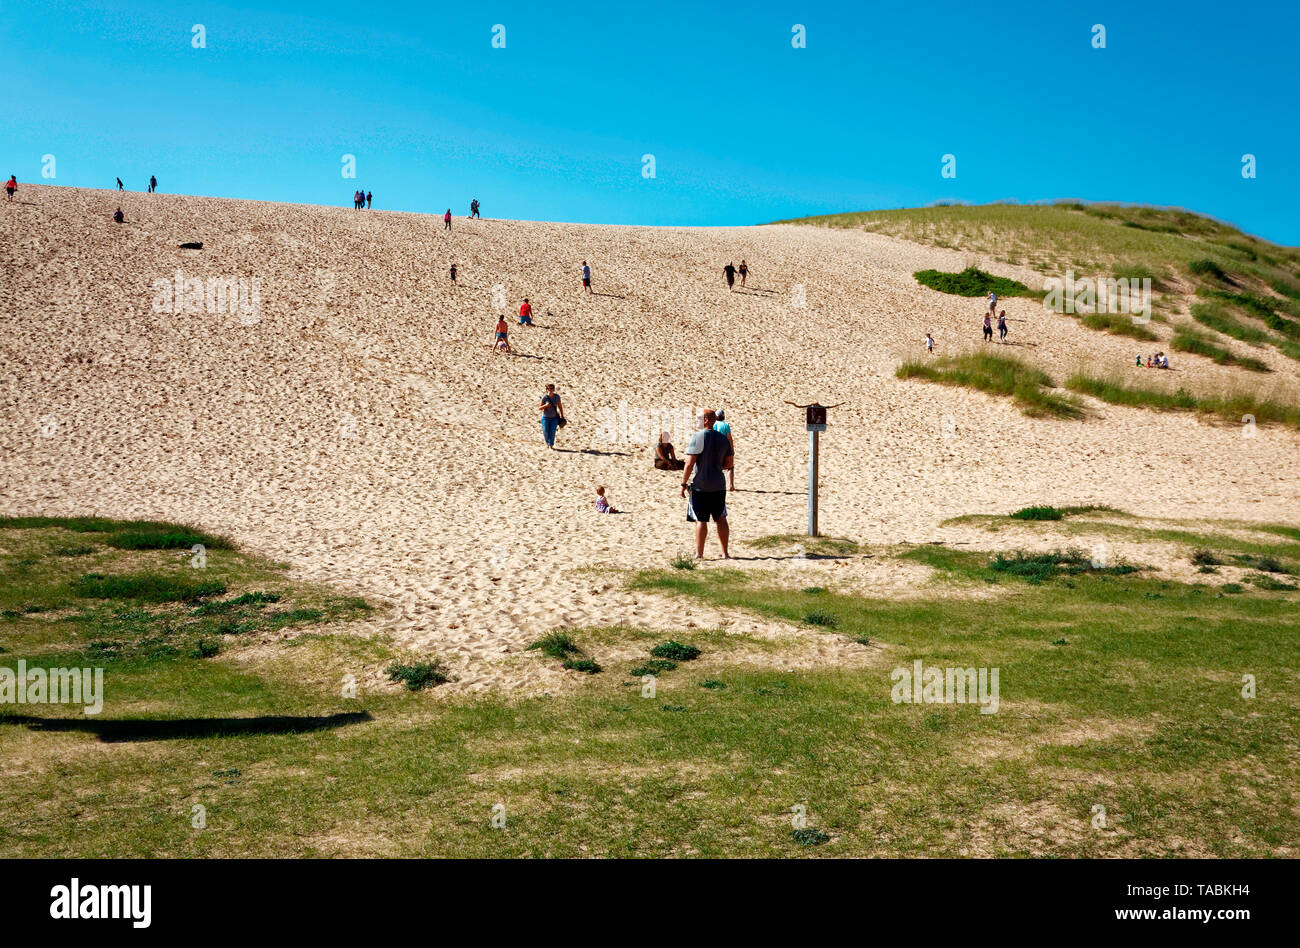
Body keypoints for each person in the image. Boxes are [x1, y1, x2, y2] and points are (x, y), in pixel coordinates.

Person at [681, 409, 733, 559]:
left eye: (698, 418)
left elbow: (690, 463)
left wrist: (683, 484)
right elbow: (729, 463)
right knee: (721, 518)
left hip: (701, 484)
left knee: (701, 519)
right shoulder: (723, 439)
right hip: (718, 484)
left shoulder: (698, 437)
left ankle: (699, 554)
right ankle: (725, 553)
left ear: (705, 420)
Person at [713, 408, 735, 491]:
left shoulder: (713, 425)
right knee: (730, 467)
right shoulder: (726, 425)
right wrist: (732, 449)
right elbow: (729, 438)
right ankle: (731, 485)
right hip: (725, 447)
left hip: (715, 448)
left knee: (715, 467)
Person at [539, 383, 565, 448]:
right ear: (546, 389)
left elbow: (560, 406)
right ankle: (547, 442)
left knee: (552, 432)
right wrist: (546, 405)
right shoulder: (545, 398)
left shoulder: (557, 397)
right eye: (548, 388)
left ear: (554, 389)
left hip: (554, 418)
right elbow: (540, 408)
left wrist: (562, 415)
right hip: (545, 417)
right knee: (545, 431)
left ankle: (551, 445)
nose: (550, 390)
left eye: (551, 388)